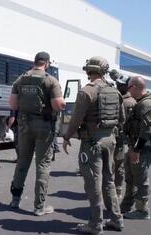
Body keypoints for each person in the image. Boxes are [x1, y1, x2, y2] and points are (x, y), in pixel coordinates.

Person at [63, 56, 125, 234]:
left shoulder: (87, 91)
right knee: (109, 181)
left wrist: (67, 137)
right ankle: (116, 219)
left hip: (92, 142)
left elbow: (76, 120)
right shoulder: (115, 91)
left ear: (89, 70)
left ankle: (96, 224)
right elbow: (122, 119)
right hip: (110, 140)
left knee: (93, 182)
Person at [9, 51, 65, 216]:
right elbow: (58, 105)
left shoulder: (21, 78)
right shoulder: (50, 80)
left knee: (22, 162)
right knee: (43, 165)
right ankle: (39, 206)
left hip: (25, 125)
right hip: (44, 126)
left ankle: (15, 200)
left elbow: (12, 103)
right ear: (46, 63)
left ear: (35, 62)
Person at [120, 76, 151, 220]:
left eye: (129, 87)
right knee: (131, 177)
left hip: (142, 148)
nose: (128, 91)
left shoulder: (147, 104)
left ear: (135, 87)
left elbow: (148, 131)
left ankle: (142, 211)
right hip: (135, 146)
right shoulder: (141, 103)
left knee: (141, 179)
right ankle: (127, 205)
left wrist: (136, 150)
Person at [110, 72, 136, 199]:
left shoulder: (128, 102)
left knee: (118, 163)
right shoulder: (117, 98)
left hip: (120, 137)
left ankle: (118, 189)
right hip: (112, 136)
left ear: (127, 86)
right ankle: (112, 188)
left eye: (120, 85)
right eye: (117, 84)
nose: (117, 86)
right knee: (110, 163)